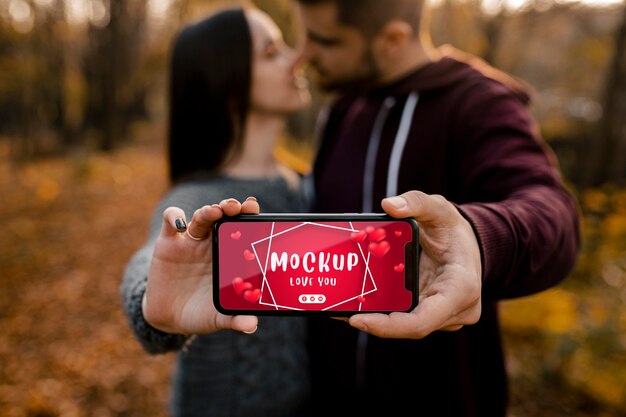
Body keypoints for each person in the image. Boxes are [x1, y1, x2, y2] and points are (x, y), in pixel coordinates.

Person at [291, 0, 581, 416]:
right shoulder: (343, 109)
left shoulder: (478, 103)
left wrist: (477, 238)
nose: (304, 53)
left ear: (393, 38)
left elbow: (553, 211)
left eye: (324, 39)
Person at [119, 5, 313, 417]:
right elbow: (150, 258)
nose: (297, 57)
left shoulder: (308, 182)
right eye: (271, 51)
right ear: (230, 85)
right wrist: (151, 303)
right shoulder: (202, 199)